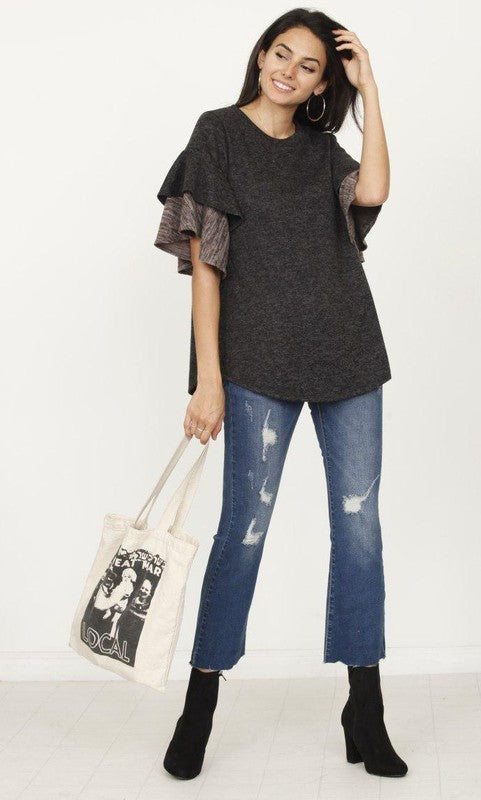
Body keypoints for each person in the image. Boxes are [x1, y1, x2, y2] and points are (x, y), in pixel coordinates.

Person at [153, 7, 408, 782]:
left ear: (323, 85)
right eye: (280, 53)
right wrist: (208, 378)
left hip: (347, 354)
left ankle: (365, 707)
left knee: (359, 532)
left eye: (308, 66)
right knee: (243, 532)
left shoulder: (323, 150)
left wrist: (371, 90)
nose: (287, 71)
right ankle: (199, 704)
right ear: (261, 53)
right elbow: (206, 267)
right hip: (255, 363)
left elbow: (375, 189)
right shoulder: (217, 136)